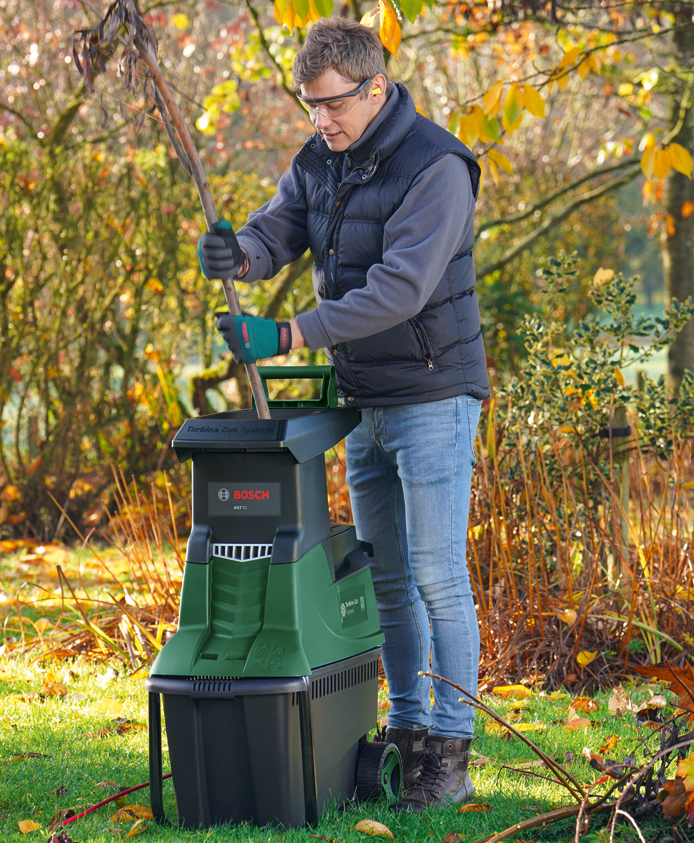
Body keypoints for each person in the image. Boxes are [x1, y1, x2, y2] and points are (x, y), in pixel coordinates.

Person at [194, 16, 489, 813]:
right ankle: (409, 726)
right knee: (385, 578)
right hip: (363, 400)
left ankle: (451, 750)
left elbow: (400, 289)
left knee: (436, 574)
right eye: (308, 105)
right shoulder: (321, 160)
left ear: (376, 88)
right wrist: (241, 253)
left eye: (331, 105)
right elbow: (280, 226)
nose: (319, 121)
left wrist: (288, 333)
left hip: (433, 392)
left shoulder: (438, 168)